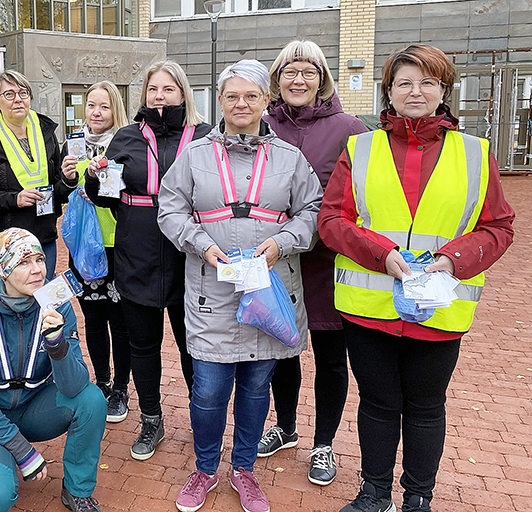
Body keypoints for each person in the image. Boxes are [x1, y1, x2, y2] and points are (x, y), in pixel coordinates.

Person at [318, 43, 514, 512]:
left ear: (443, 89)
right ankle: (374, 492)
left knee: (426, 409)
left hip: (440, 306)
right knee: (378, 405)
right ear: (389, 90)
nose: (416, 91)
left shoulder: (475, 152)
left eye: (427, 81)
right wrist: (381, 253)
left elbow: (498, 227)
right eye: (404, 82)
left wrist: (453, 259)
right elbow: (332, 221)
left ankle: (418, 498)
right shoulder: (360, 147)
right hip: (369, 308)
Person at [158, 59, 322, 512]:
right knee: (208, 391)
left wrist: (282, 243)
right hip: (213, 293)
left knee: (255, 390)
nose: (241, 103)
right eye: (232, 96)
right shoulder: (194, 156)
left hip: (268, 294)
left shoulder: (290, 159)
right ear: (220, 102)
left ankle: (244, 469)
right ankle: (205, 469)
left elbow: (313, 211)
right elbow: (169, 210)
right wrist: (200, 244)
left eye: (251, 95)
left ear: (266, 101)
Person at [84, 60, 211, 461]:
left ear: (183, 93)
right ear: (144, 96)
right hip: (136, 254)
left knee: (194, 345)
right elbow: (106, 194)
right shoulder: (126, 136)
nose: (160, 96)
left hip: (188, 256)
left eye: (168, 89)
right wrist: (94, 175)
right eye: (153, 89)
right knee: (143, 345)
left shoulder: (204, 136)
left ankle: (201, 417)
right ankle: (152, 418)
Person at [256, 40, 367, 486]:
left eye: (308, 72)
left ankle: (323, 443)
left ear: (322, 79)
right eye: (289, 72)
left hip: (326, 263)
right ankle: (284, 426)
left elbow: (363, 195)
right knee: (282, 349)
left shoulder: (350, 128)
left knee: (330, 357)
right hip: (275, 259)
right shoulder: (262, 125)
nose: (298, 80)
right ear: (277, 80)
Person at [0, 227, 107, 512]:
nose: (37, 269)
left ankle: (77, 491)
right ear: (4, 269)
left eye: (39, 259)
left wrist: (57, 344)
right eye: (24, 262)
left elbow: (75, 386)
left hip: (32, 407)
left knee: (92, 400)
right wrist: (21, 450)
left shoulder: (57, 306)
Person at [60, 81, 132, 422]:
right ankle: (101, 381)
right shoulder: (73, 144)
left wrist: (102, 184)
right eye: (91, 105)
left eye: (104, 106)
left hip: (117, 243)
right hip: (83, 245)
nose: (97, 112)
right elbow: (62, 191)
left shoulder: (126, 143)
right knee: (93, 317)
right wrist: (68, 178)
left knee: (120, 320)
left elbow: (125, 192)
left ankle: (121, 388)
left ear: (114, 109)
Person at [0, 69, 73, 281]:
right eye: (9, 94)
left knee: (42, 304)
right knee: (4, 306)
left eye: (23, 93)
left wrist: (68, 181)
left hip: (42, 238)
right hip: (1, 241)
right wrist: (14, 200)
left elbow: (57, 190)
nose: (18, 99)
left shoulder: (45, 130)